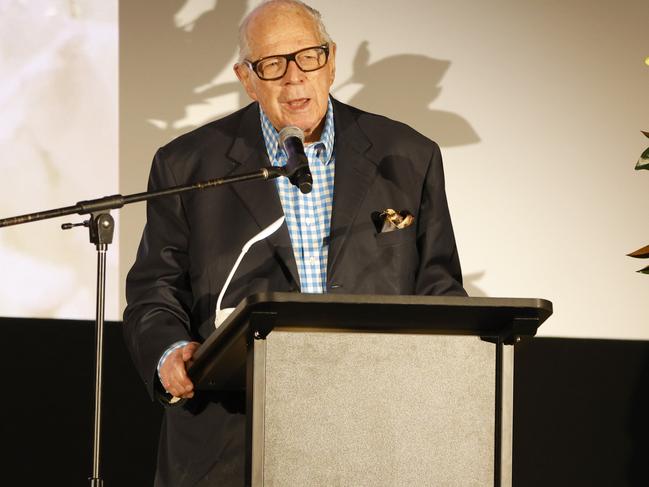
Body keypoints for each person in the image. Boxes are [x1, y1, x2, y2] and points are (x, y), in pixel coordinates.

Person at [123, 1, 466, 485]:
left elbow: (439, 285)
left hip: (375, 430)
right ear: (246, 78)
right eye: (272, 64)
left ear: (330, 60)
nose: (293, 78)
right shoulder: (188, 165)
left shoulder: (407, 154)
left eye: (307, 56)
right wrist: (170, 351)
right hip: (231, 437)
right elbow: (154, 292)